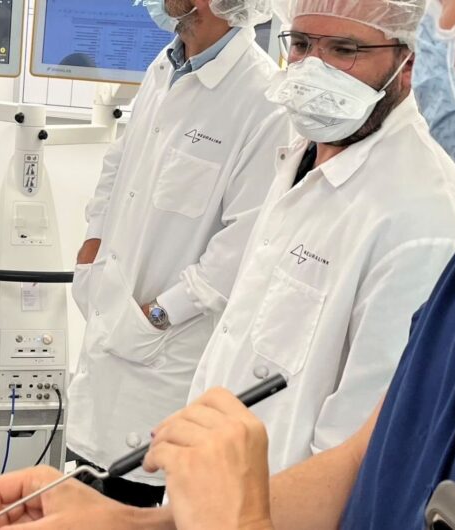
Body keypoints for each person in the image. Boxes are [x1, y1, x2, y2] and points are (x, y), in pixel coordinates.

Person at [0, 0, 455, 528]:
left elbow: (357, 474)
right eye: (301, 45)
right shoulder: (303, 153)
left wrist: (157, 315)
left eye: (344, 49)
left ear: (409, 61)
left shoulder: (423, 223)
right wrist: (124, 521)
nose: (314, 69)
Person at [67, 0, 289, 507]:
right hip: (106, 335)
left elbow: (246, 243)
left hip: (164, 356)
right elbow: (118, 166)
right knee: (82, 492)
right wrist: (91, 250)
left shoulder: (264, 100)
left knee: (136, 499)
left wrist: (158, 315)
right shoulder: (165, 65)